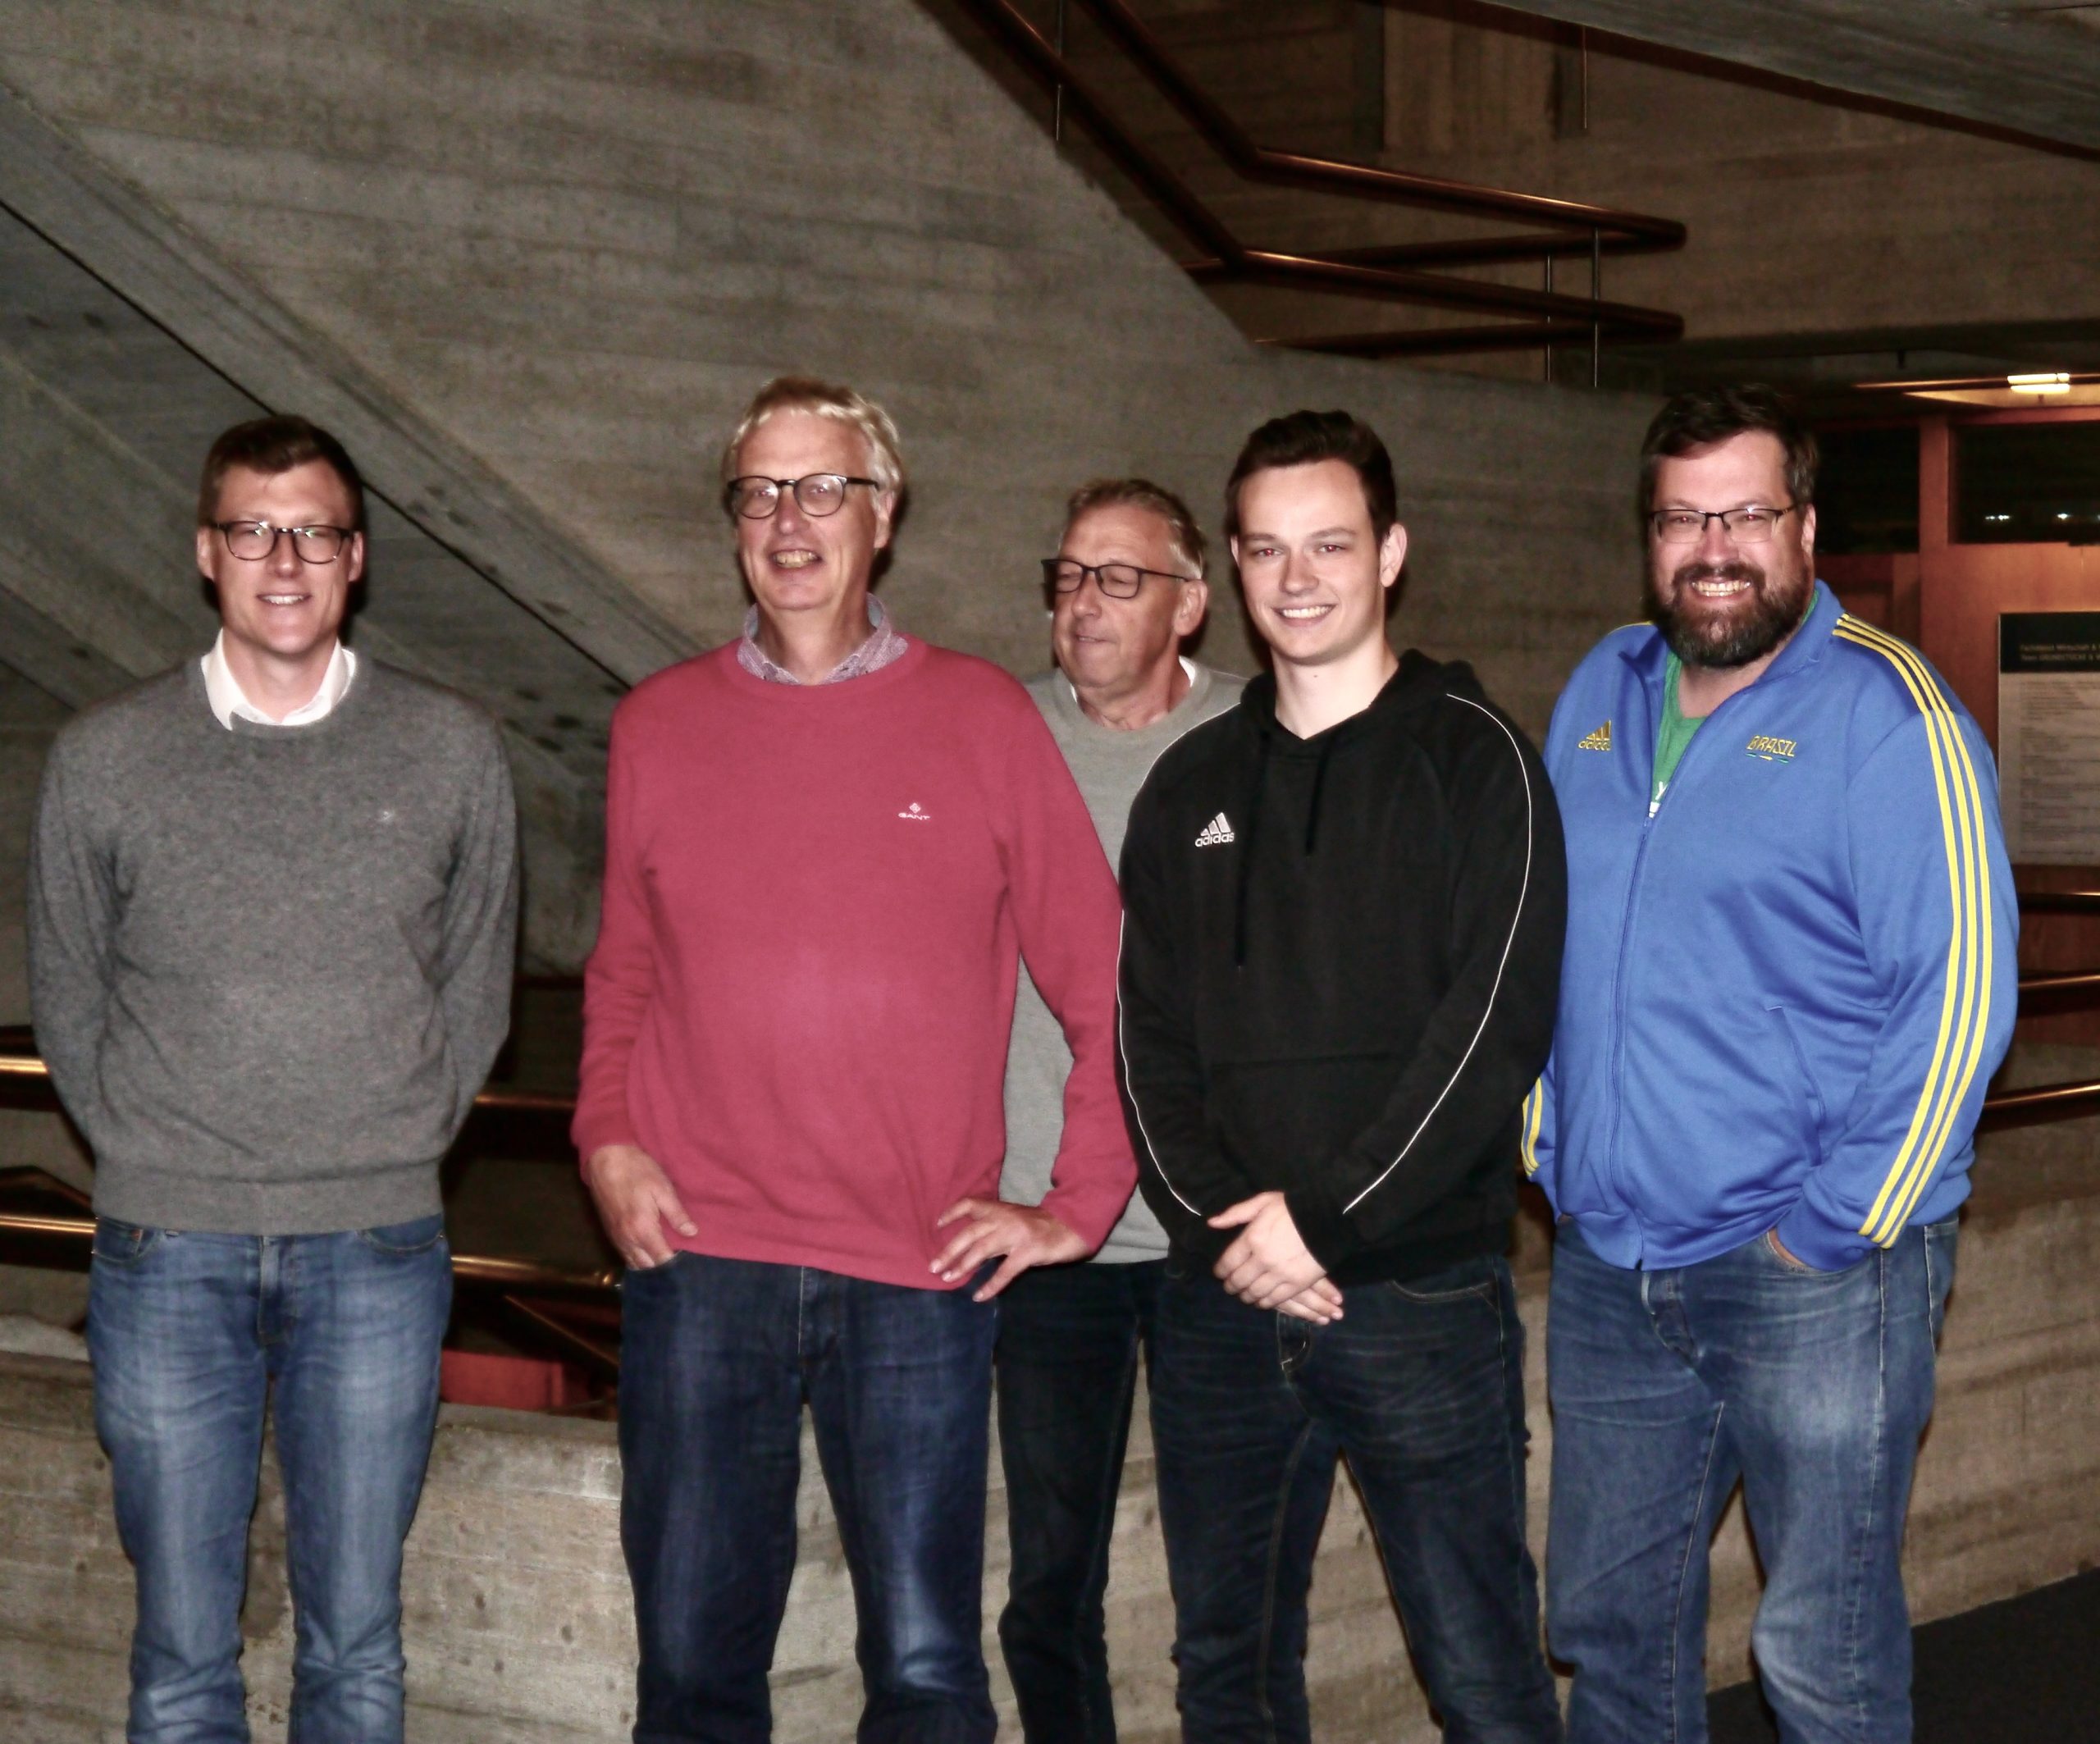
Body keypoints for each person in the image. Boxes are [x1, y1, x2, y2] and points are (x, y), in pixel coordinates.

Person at [573, 377, 1135, 1744]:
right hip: (699, 1258)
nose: (790, 519)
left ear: (883, 515)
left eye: (825, 487)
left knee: (930, 1675)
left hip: (917, 1267)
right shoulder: (657, 723)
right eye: (761, 492)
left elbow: (1108, 978)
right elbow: (623, 967)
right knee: (691, 1675)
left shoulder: (983, 715)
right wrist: (604, 1136)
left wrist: (1077, 1201)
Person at [1532, 384, 2018, 1742]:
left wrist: (1834, 1223)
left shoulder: (1888, 714)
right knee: (1610, 1637)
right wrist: (1548, 1138)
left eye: (1745, 514)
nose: (1714, 548)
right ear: (1649, 536)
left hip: (1814, 1272)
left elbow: (1962, 995)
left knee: (1821, 1659)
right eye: (1682, 518)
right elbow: (1533, 929)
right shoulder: (1600, 688)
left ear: (1805, 526)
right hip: (1613, 1260)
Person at [27, 414, 519, 1742]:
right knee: (181, 1651)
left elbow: (479, 986)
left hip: (377, 1242)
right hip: (163, 1246)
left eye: (313, 531)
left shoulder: (452, 749)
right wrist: (151, 1147)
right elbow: (68, 992)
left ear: (357, 557)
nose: (284, 560)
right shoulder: (105, 755)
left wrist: (399, 1132)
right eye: (254, 529)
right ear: (207, 551)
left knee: (355, 1644)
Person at [1116, 409, 1567, 1742]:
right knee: (1229, 1679)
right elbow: (1145, 1037)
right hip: (1220, 1303)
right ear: (1232, 567)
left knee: (1482, 1679)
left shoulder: (1479, 760)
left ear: (1391, 554)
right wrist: (1226, 1229)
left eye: (1329, 544)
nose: (1297, 577)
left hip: (1418, 1296)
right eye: (1266, 548)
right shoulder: (1187, 783)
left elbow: (1492, 1034)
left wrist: (1321, 1220)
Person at [995, 478, 1244, 1741]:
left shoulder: (1259, 739)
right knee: (1048, 1589)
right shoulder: (998, 733)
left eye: (1118, 578)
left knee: (1229, 1599)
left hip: (1221, 1238)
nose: (1083, 602)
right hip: (1048, 1234)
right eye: (1068, 576)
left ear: (1190, 603)